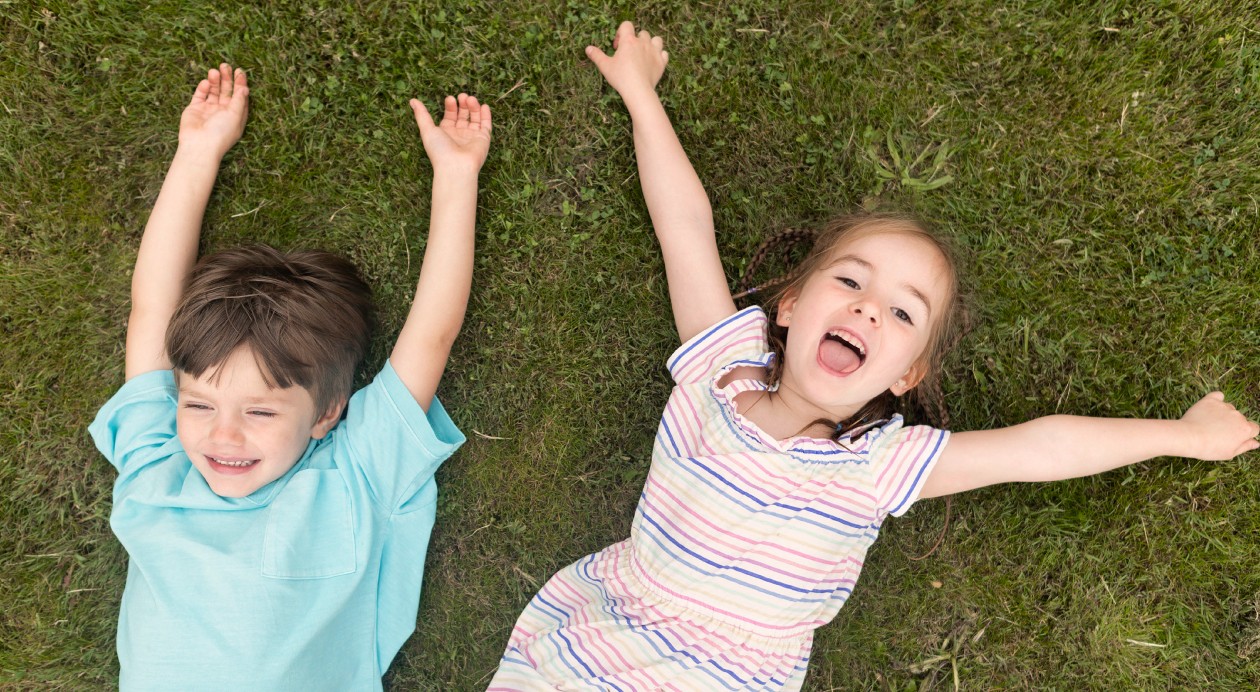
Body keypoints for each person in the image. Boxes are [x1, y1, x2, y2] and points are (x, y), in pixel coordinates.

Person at [487, 23, 1259, 690]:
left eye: (901, 313)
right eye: (851, 282)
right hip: (599, 643)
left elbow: (1040, 448)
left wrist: (1186, 435)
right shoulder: (717, 368)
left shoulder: (881, 465)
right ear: (790, 307)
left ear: (907, 375)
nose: (866, 308)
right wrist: (640, 94)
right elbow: (684, 227)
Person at [89, 63, 492, 690]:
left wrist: (458, 175)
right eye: (198, 405)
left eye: (260, 412)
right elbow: (151, 311)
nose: (222, 435)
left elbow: (432, 334)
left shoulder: (357, 474)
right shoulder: (158, 466)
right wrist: (196, 153)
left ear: (327, 412)